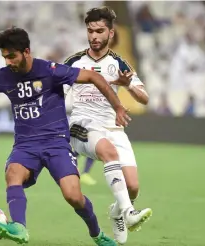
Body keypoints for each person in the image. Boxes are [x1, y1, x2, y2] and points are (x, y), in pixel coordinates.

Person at [0, 27, 131, 246]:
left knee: (73, 196)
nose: (8, 61)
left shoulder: (50, 70)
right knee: (13, 174)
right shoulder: (3, 76)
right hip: (26, 145)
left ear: (26, 51)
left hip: (56, 142)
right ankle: (19, 227)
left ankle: (97, 234)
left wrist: (118, 107)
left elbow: (93, 76)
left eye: (11, 56)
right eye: (4, 57)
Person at [63, 7, 152, 244]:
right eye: (90, 31)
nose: (94, 36)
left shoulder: (118, 63)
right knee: (107, 151)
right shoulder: (74, 62)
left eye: (99, 31)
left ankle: (117, 212)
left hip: (113, 129)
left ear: (110, 34)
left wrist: (129, 85)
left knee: (132, 187)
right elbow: (56, 94)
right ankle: (129, 214)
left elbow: (144, 98)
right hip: (81, 125)